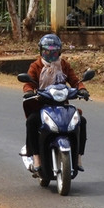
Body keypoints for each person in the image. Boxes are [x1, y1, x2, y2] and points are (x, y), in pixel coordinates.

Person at [22, 34, 88, 174]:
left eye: (54, 52)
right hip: (41, 104)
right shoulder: (36, 66)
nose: (50, 55)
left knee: (81, 121)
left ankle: (78, 157)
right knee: (32, 121)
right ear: (41, 51)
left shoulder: (64, 65)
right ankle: (36, 157)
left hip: (62, 105)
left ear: (59, 52)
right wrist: (29, 91)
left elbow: (75, 81)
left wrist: (82, 89)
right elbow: (28, 83)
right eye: (47, 51)